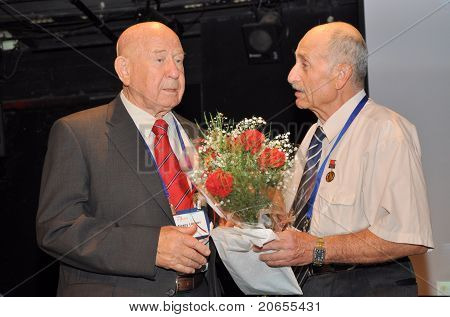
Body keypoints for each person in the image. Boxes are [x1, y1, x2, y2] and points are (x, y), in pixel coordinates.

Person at [36, 22, 221, 296]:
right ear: (125, 70)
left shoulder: (199, 135)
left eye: (179, 60)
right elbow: (57, 228)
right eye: (160, 59)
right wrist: (150, 248)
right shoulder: (78, 132)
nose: (174, 71)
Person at [257, 22, 434, 296]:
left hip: (365, 291)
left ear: (340, 75)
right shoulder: (314, 135)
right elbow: (301, 217)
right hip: (309, 287)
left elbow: (408, 238)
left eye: (304, 64)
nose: (291, 76)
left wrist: (313, 249)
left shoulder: (386, 130)